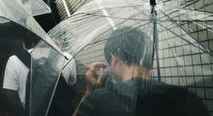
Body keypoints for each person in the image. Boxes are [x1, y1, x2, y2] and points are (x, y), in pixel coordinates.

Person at [75, 27, 209, 116]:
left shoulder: (98, 103)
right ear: (148, 59)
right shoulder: (188, 99)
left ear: (115, 61)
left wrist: (88, 92)